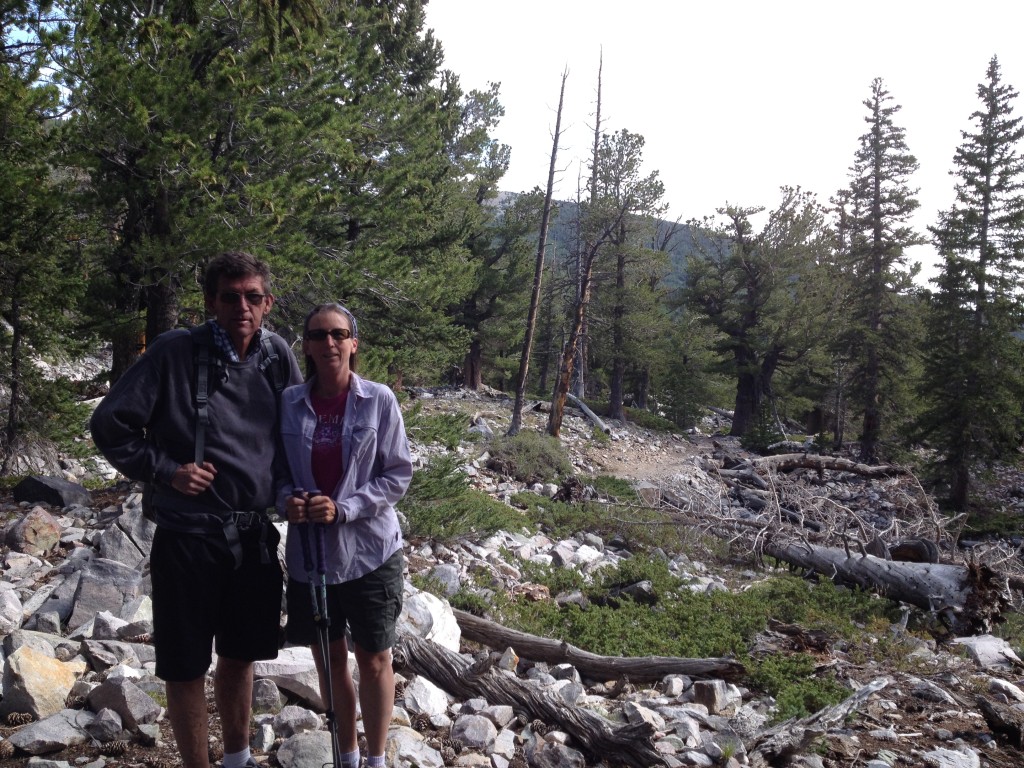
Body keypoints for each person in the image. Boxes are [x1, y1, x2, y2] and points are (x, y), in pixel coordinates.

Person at [90, 252, 302, 768]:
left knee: (239, 656)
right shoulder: (173, 352)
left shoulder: (277, 358)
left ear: (268, 303)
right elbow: (110, 427)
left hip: (253, 539)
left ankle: (236, 758)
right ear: (211, 301)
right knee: (184, 667)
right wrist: (167, 470)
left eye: (253, 297)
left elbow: (299, 433)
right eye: (230, 296)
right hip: (187, 537)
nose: (242, 307)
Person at [279, 303, 412, 768]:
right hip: (311, 557)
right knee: (329, 664)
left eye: (339, 334)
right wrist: (286, 502)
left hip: (370, 552)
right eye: (318, 335)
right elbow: (276, 472)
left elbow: (397, 474)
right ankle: (347, 757)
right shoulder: (290, 403)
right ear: (308, 346)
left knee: (375, 659)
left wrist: (345, 508)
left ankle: (375, 758)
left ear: (354, 343)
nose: (329, 343)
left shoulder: (379, 400)